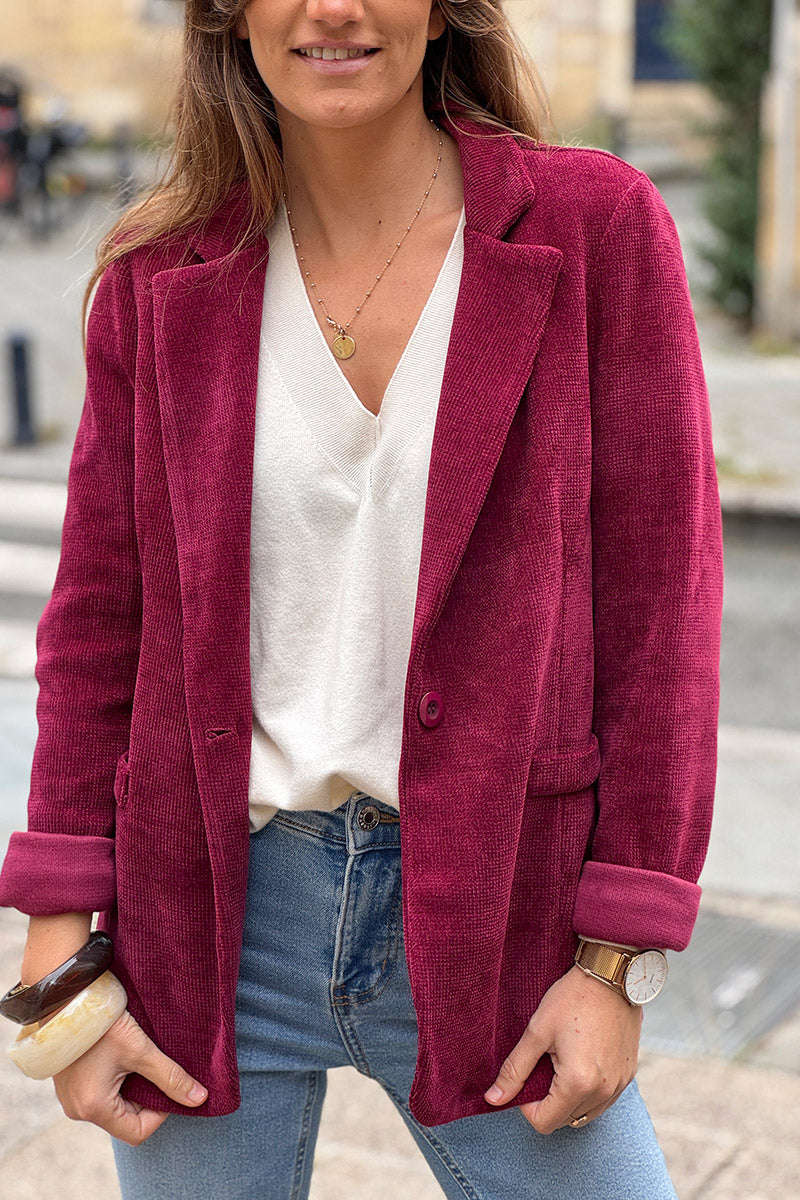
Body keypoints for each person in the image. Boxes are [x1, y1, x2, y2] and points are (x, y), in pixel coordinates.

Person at [0, 1, 723, 1197]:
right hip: (214, 921)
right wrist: (62, 964)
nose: (331, 7)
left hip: (499, 912)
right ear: (228, 10)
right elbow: (98, 625)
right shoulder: (158, 273)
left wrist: (615, 964)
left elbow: (663, 618)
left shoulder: (593, 229)